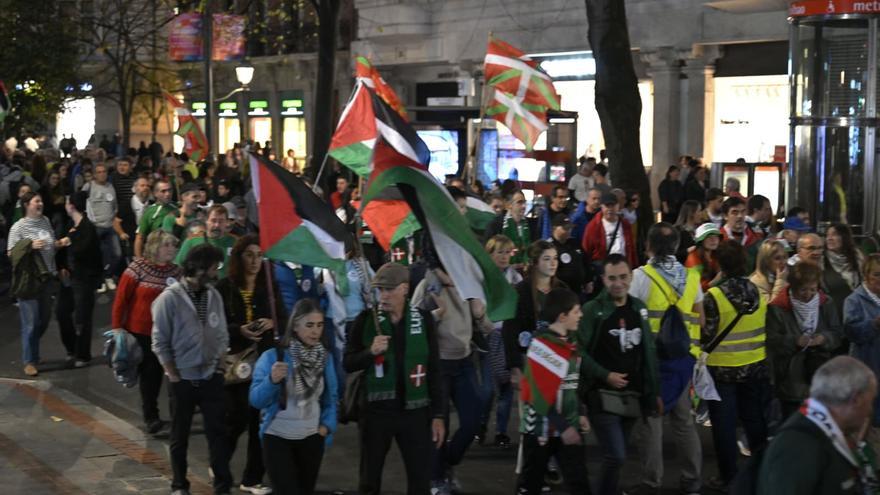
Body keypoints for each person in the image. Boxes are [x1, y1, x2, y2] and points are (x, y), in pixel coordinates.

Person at [343, 262, 445, 495]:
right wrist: (370, 352)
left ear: (405, 289)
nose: (384, 295)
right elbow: (348, 363)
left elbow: (434, 370)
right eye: (380, 290)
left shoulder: (423, 320)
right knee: (369, 479)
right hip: (376, 412)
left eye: (389, 289)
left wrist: (438, 415)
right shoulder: (366, 320)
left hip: (416, 412)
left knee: (420, 479)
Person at [628, 223, 703, 495]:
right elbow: (701, 319)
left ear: (648, 246)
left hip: (652, 361)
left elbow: (630, 316)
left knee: (651, 420)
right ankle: (692, 481)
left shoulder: (639, 277)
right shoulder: (692, 277)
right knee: (684, 422)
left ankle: (651, 482)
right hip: (683, 362)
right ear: (676, 247)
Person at [151, 243, 233, 495]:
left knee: (218, 435)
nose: (216, 273)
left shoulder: (213, 295)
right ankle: (179, 485)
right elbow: (159, 340)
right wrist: (173, 374)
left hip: (210, 377)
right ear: (199, 269)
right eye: (213, 268)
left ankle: (222, 486)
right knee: (180, 436)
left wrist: (220, 366)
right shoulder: (170, 298)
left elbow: (221, 334)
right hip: (183, 379)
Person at [580, 255, 661, 495]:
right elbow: (577, 352)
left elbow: (648, 352)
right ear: (603, 279)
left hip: (632, 396)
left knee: (617, 456)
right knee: (616, 455)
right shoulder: (592, 310)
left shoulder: (639, 308)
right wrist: (605, 375)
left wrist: (653, 392)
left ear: (631, 277)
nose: (618, 283)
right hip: (600, 395)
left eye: (623, 277)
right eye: (612, 278)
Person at [411, 253, 493, 494]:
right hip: (438, 365)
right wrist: (435, 315)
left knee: (472, 421)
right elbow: (413, 325)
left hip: (465, 361)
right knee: (439, 425)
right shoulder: (427, 286)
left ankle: (447, 463)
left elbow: (487, 328)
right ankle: (436, 479)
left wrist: (479, 315)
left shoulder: (467, 284)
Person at [216, 235, 286, 495]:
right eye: (249, 255)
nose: (255, 261)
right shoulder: (225, 286)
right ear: (239, 257)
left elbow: (283, 316)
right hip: (235, 362)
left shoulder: (269, 285)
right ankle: (220, 461)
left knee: (260, 419)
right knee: (235, 418)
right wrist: (239, 330)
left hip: (263, 360)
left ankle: (252, 477)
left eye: (259, 255)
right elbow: (217, 324)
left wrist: (271, 322)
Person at [249, 299, 337, 495]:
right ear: (295, 326)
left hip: (312, 438)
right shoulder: (273, 357)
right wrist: (271, 380)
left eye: (320, 325)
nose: (315, 331)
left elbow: (331, 397)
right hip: (277, 437)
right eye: (310, 325)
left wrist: (326, 427)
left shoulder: (325, 358)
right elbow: (255, 400)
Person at [702, 240, 770, 490]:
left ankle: (728, 476)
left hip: (722, 371)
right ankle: (762, 470)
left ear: (719, 264)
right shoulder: (757, 292)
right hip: (754, 366)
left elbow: (706, 335)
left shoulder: (715, 296)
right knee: (755, 422)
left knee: (724, 426)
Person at [757, 356, 879, 495]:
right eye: (870, 401)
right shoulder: (796, 448)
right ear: (856, 400)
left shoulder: (830, 433)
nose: (870, 410)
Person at [516, 288, 591, 495]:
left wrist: (581, 413)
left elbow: (572, 385)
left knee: (579, 483)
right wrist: (564, 427)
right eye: (577, 311)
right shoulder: (542, 347)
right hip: (541, 429)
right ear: (562, 316)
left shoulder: (570, 343)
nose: (581, 315)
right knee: (531, 484)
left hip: (568, 425)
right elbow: (538, 396)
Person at [112, 230, 182, 434]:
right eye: (166, 245)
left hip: (170, 333)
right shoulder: (136, 269)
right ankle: (151, 416)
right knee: (150, 377)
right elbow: (121, 300)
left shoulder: (177, 272)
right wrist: (117, 328)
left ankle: (177, 415)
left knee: (172, 375)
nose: (171, 249)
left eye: (172, 245)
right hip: (142, 333)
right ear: (154, 247)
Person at [767, 262, 843, 419]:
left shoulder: (826, 303)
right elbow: (772, 340)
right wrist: (795, 340)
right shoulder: (777, 308)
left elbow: (837, 333)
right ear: (793, 287)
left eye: (813, 289)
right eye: (803, 289)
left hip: (819, 376)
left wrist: (824, 338)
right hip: (790, 379)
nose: (808, 294)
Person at [8, 191, 64, 377]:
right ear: (27, 205)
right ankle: (29, 360)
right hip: (29, 280)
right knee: (30, 323)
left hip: (47, 277)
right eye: (36, 201)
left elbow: (50, 244)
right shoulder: (18, 227)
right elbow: (11, 254)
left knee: (44, 319)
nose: (40, 204)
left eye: (40, 201)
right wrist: (29, 246)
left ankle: (33, 351)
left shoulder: (45, 221)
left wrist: (57, 244)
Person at [503, 240, 568, 387]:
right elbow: (510, 330)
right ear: (535, 263)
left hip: (557, 358)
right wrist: (515, 367)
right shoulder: (521, 291)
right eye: (547, 259)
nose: (553, 263)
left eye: (555, 258)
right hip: (529, 358)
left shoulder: (563, 289)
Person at [478, 235, 522, 448]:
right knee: (487, 389)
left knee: (507, 387)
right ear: (490, 254)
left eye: (508, 252)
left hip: (509, 337)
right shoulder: (481, 278)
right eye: (500, 252)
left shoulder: (516, 279)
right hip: (489, 337)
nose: (505, 257)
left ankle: (501, 431)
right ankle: (481, 424)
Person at [55, 192, 102, 367]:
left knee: (82, 318)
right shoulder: (69, 225)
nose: (65, 205)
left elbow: (82, 250)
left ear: (72, 205)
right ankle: (71, 348)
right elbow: (63, 251)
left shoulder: (87, 227)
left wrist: (69, 240)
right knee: (61, 312)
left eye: (67, 202)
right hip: (69, 277)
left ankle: (83, 354)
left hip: (84, 279)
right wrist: (61, 267)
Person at [843, 253, 880, 452]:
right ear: (866, 275)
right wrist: (874, 325)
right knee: (864, 423)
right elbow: (852, 332)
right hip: (866, 369)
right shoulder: (854, 301)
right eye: (877, 275)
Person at [83, 162, 121, 292]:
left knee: (117, 254)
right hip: (95, 227)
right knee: (98, 256)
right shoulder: (88, 187)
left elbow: (115, 205)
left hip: (110, 226)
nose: (102, 174)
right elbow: (80, 205)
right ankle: (100, 280)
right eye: (98, 172)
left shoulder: (111, 187)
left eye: (104, 171)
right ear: (94, 174)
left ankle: (108, 275)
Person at [175, 205, 236, 277]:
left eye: (221, 221)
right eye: (213, 220)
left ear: (227, 222)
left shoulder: (235, 242)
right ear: (206, 221)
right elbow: (178, 266)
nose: (217, 225)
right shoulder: (192, 241)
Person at [582, 191, 638, 268]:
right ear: (601, 207)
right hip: (604, 269)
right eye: (607, 206)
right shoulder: (593, 226)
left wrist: (634, 267)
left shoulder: (625, 224)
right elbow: (586, 250)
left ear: (618, 206)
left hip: (623, 266)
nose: (610, 209)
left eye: (613, 205)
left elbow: (631, 249)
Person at [485, 189, 534, 269]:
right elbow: (488, 251)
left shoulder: (530, 225)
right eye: (519, 202)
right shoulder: (496, 224)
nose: (524, 206)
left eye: (524, 202)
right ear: (509, 205)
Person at [824, 223, 864, 319]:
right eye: (827, 235)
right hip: (833, 314)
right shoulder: (822, 259)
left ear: (844, 237)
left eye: (834, 234)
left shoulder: (857, 257)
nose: (829, 238)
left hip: (856, 312)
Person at [549, 214, 588, 298]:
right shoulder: (549, 247)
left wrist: (589, 280)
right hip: (561, 293)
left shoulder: (574, 243)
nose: (569, 231)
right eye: (565, 228)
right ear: (554, 228)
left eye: (570, 228)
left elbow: (585, 261)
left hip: (579, 291)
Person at [720, 196, 763, 272]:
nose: (740, 216)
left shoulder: (755, 238)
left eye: (743, 212)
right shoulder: (719, 239)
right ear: (725, 216)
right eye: (735, 212)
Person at [134, 179, 175, 258]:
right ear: (155, 193)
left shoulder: (178, 208)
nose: (168, 194)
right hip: (157, 255)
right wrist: (139, 261)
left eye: (170, 190)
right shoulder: (150, 212)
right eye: (163, 191)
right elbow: (139, 238)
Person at [685, 222, 722, 290]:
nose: (713, 240)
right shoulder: (693, 260)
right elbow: (695, 289)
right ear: (700, 241)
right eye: (708, 237)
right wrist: (716, 280)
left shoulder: (716, 255)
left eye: (716, 236)